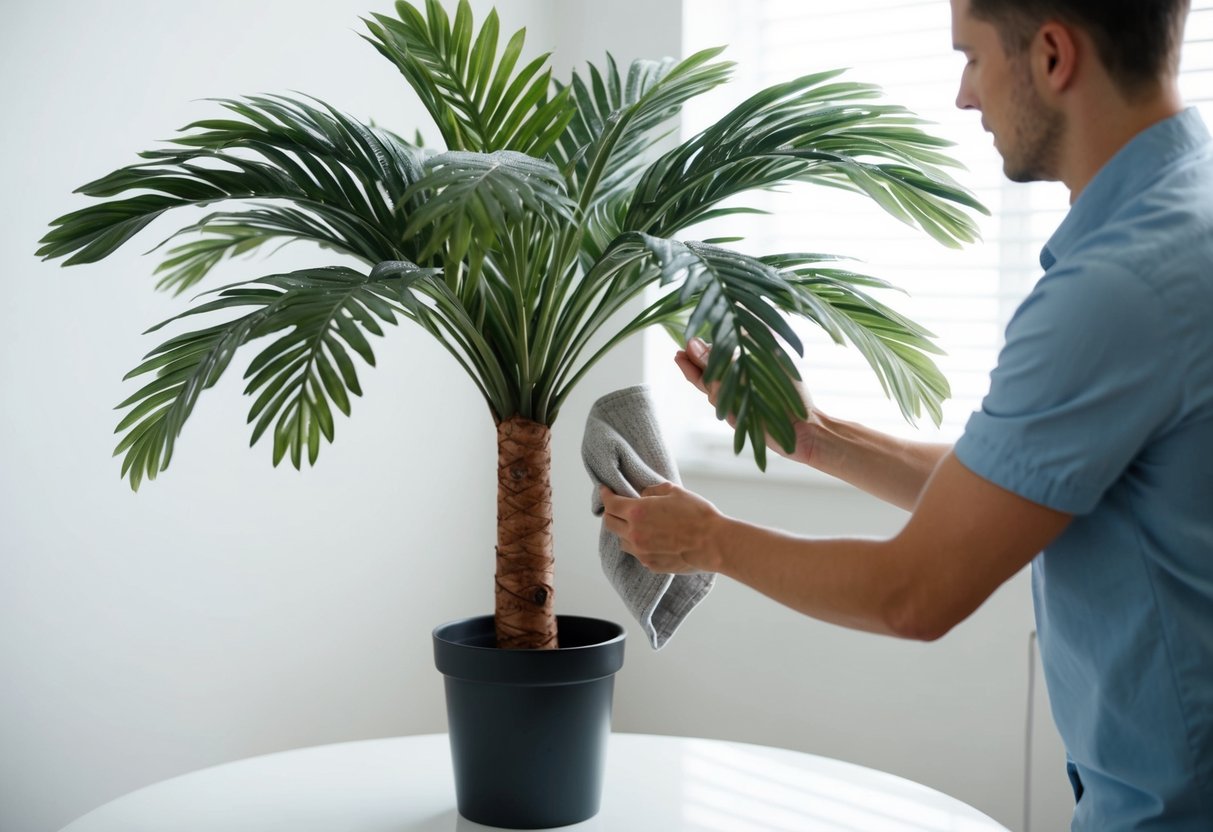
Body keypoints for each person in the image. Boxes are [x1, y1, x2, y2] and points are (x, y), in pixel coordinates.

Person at [599, 0, 1213, 828]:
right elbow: (1007, 484)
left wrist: (707, 541)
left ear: (1052, 57)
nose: (964, 96)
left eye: (971, 58)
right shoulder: (1185, 215)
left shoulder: (1116, 288)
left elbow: (913, 593)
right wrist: (816, 438)